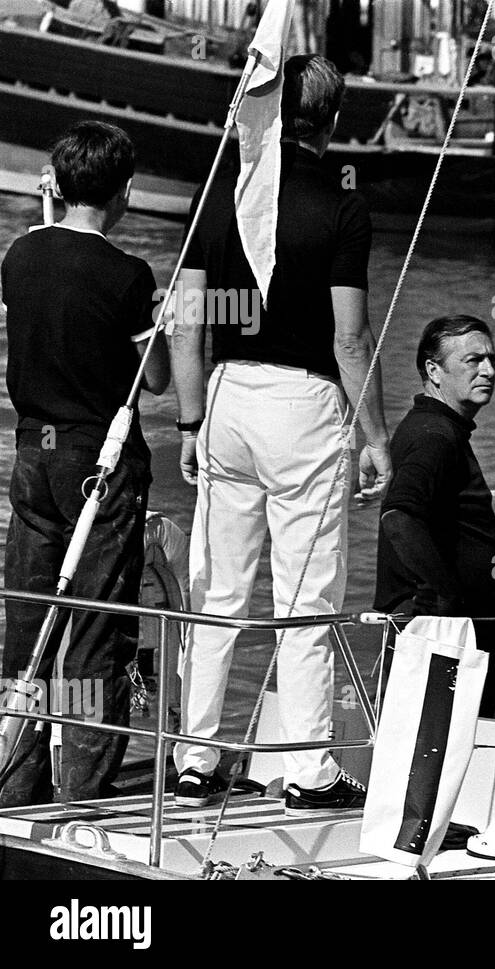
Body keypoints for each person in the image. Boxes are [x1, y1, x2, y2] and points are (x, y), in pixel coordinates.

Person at [168, 55, 391, 813]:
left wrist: (191, 421)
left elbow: (189, 319)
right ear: (331, 121)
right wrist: (377, 437)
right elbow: (350, 339)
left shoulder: (223, 190)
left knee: (217, 587)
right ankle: (309, 767)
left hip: (227, 396)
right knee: (304, 593)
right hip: (303, 403)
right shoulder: (341, 203)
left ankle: (195, 759)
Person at [0, 121, 170, 805]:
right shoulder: (127, 274)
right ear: (125, 190)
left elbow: (47, 307)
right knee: (98, 627)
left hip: (31, 452)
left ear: (59, 183)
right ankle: (85, 791)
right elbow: (153, 377)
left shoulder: (18, 256)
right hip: (98, 459)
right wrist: (161, 324)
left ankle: (16, 780)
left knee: (28, 617)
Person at [374, 315, 495, 716]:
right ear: (433, 370)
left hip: (446, 633)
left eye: (492, 359)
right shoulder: (435, 437)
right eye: (473, 361)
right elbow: (399, 515)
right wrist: (448, 600)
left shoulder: (437, 429)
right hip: (438, 634)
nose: (489, 370)